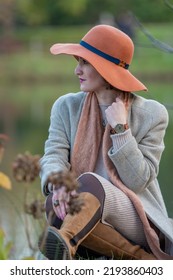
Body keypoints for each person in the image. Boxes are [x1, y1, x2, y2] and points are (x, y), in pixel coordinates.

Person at [39, 24, 173, 260]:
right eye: (77, 62)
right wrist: (58, 182)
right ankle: (141, 260)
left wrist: (121, 130)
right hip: (83, 210)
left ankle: (66, 241)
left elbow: (138, 181)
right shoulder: (66, 106)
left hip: (134, 214)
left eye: (85, 63)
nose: (76, 71)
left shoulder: (152, 113)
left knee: (90, 183)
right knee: (54, 203)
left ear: (106, 69)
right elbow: (53, 155)